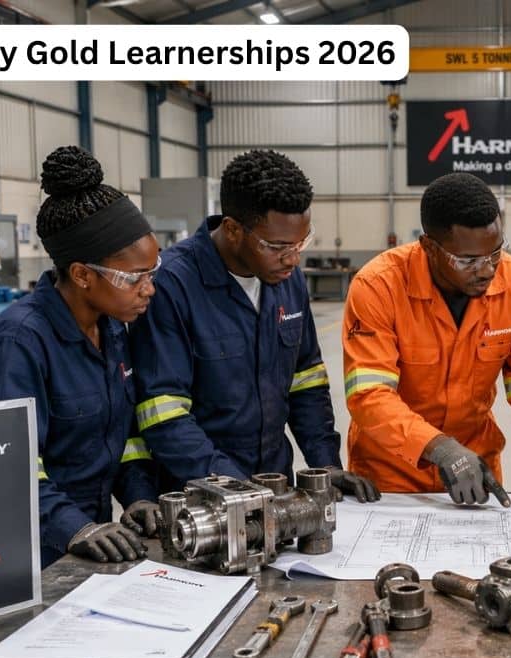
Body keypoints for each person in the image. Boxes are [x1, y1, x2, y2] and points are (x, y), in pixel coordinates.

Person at [128, 150, 378, 502]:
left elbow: (306, 382)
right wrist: (237, 488)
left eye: (300, 243)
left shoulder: (286, 280)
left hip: (274, 486)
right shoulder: (171, 286)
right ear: (232, 229)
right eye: (276, 246)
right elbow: (162, 414)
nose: (292, 258)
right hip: (199, 497)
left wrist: (326, 467)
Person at [342, 172, 511, 508]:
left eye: (495, 252)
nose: (487, 270)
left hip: (478, 469)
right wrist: (441, 449)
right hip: (390, 475)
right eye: (468, 260)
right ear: (429, 247)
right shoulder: (378, 287)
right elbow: (369, 396)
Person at [0, 146, 161, 567]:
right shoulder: (17, 345)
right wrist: (74, 527)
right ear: (82, 275)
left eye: (152, 272)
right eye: (135, 277)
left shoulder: (111, 329)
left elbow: (122, 436)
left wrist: (138, 495)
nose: (149, 289)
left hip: (92, 544)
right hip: (29, 552)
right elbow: (4, 466)